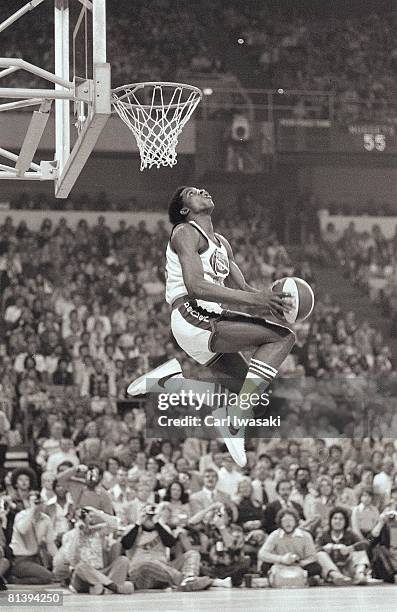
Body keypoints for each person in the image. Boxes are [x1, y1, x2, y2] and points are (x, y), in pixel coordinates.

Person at [127, 186, 295, 467]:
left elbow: (242, 288)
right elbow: (195, 285)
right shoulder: (184, 231)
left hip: (204, 321)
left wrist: (273, 303)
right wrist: (257, 301)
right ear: (185, 209)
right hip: (191, 311)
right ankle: (233, 420)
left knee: (253, 391)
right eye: (192, 192)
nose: (202, 191)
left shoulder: (222, 244)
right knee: (283, 339)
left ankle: (168, 383)